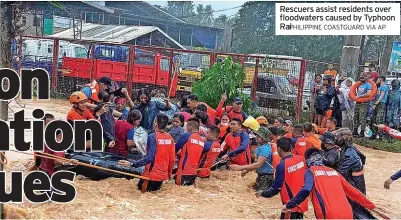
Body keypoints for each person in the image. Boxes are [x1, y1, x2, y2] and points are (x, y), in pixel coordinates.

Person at [283, 148, 376, 219]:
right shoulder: (334, 172)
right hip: (347, 213)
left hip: (329, 214)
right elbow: (353, 192)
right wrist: (371, 206)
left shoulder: (310, 171)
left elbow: (306, 189)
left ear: (307, 161)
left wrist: (289, 205)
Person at [118, 114, 175, 192]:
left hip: (150, 175)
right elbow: (172, 159)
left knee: (140, 193)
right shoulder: (170, 138)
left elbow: (150, 158)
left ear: (155, 124)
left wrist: (132, 164)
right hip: (162, 176)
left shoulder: (152, 137)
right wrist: (169, 174)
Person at [255, 137, 308, 219]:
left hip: (290, 205)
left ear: (279, 149)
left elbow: (276, 189)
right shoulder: (301, 159)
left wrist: (262, 193)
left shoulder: (282, 165)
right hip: (301, 202)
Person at [335, 128, 375, 219]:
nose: (335, 139)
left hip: (354, 185)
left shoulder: (349, 155)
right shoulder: (350, 148)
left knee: (357, 212)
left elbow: (340, 172)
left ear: (342, 138)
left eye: (337, 137)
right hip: (356, 182)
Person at [175, 119, 205, 186]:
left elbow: (175, 149)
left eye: (186, 126)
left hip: (183, 171)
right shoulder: (201, 140)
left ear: (190, 127)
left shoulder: (187, 135)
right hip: (193, 172)